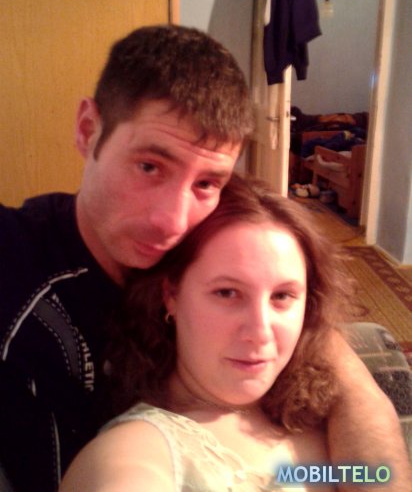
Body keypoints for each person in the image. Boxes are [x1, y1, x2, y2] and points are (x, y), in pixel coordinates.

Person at [0, 24, 253, 492]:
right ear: (88, 130)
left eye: (206, 184)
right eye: (149, 166)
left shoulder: (210, 246)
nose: (172, 222)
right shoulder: (16, 255)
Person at [59, 175, 411, 491]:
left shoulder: (308, 409)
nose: (260, 332)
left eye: (282, 296)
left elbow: (376, 477)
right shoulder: (135, 456)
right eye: (227, 293)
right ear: (171, 295)